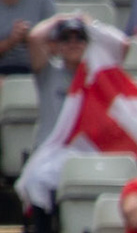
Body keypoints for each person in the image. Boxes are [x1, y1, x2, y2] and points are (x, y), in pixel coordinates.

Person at [25, 11, 91, 145]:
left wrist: (89, 24)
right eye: (66, 38)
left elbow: (121, 45)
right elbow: (34, 38)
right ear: (57, 45)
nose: (73, 43)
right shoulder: (48, 71)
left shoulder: (94, 74)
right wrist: (59, 19)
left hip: (82, 150)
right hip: (48, 150)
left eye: (79, 38)